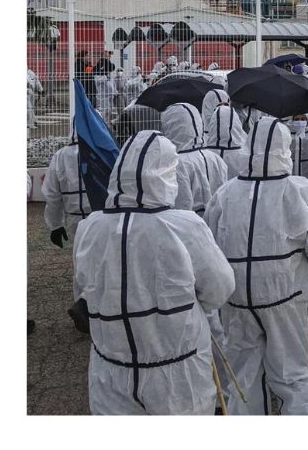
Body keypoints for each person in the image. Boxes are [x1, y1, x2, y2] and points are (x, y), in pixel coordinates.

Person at [72, 133, 234, 416]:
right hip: (177, 372)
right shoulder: (185, 226)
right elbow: (220, 288)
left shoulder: (89, 227)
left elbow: (84, 290)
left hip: (110, 371)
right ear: (166, 175)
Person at [205, 118, 308, 415]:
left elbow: (212, 244)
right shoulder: (298, 190)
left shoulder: (226, 192)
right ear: (285, 147)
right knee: (292, 374)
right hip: (284, 295)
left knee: (243, 375)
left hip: (237, 298)